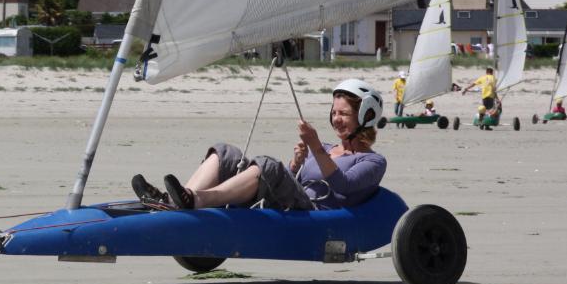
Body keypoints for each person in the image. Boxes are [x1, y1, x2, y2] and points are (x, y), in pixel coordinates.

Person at [131, 80, 386, 211]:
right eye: (334, 112)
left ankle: (193, 200)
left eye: (344, 114)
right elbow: (293, 178)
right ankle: (175, 201)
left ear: (365, 117)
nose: (336, 119)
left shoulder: (373, 162)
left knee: (268, 165)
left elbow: (343, 186)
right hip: (294, 198)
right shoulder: (329, 148)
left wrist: (316, 147)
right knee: (226, 152)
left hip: (314, 212)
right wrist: (296, 164)